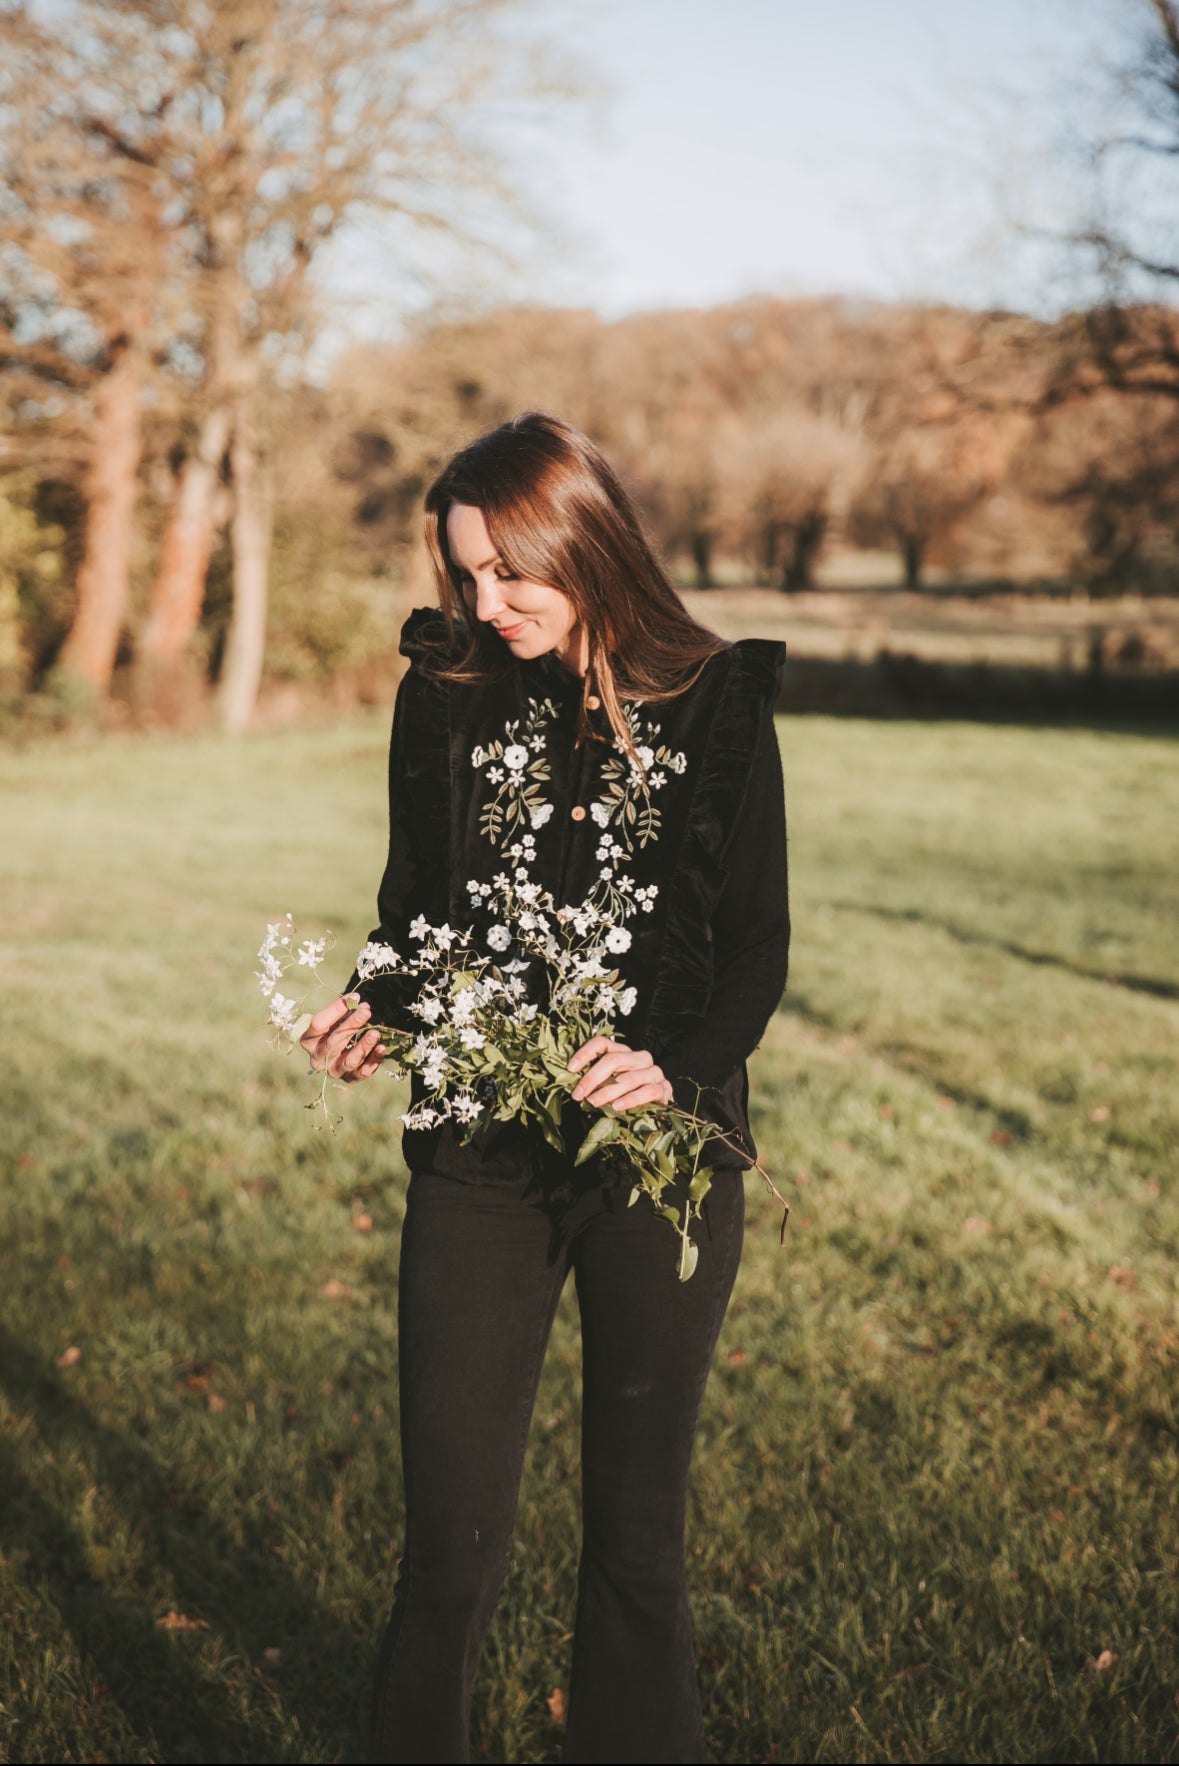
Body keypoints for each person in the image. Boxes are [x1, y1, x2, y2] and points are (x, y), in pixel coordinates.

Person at [302, 411, 789, 1765]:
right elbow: (417, 907)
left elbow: (759, 944)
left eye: (509, 572)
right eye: (462, 575)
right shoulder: (445, 693)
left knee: (637, 1547)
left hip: (661, 1163)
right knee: (446, 1545)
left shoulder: (716, 702)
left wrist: (677, 1069)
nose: (484, 602)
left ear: (584, 541)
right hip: (480, 1162)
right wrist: (376, 1004)